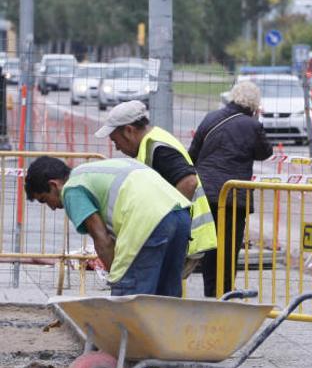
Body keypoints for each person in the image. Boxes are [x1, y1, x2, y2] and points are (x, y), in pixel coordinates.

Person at [25, 156, 192, 297]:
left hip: (149, 221)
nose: (52, 207)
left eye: (44, 200)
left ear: (54, 185)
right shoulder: (90, 171)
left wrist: (117, 279)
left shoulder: (72, 189)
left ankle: (132, 336)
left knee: (131, 299)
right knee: (167, 297)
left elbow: (102, 239)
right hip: (180, 213)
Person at [94, 100, 217, 279]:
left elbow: (189, 182)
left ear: (129, 130)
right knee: (160, 294)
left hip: (185, 238)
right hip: (183, 237)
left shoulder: (157, 148)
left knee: (157, 292)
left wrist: (167, 222)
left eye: (115, 140)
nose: (117, 147)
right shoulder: (152, 143)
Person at [189, 80, 273, 297]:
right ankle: (225, 290)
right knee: (230, 245)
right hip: (234, 196)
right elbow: (265, 152)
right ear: (255, 103)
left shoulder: (210, 118)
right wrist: (256, 121)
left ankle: (210, 289)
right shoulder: (252, 125)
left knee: (210, 242)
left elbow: (193, 152)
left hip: (206, 192)